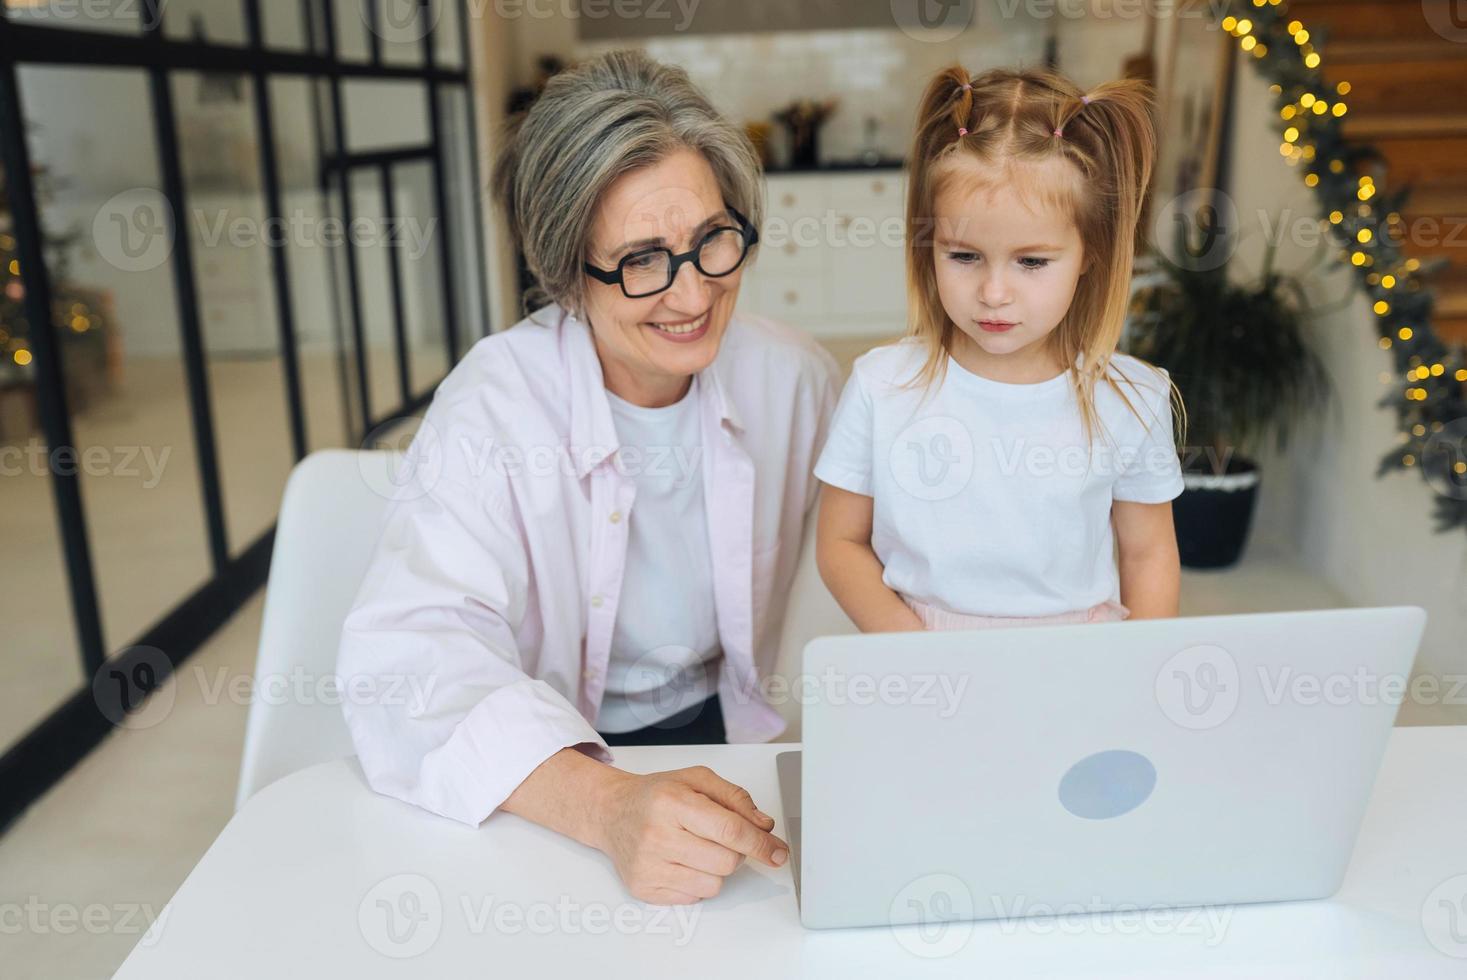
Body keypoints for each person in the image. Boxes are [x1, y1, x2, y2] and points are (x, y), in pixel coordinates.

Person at [337, 50, 839, 905]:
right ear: (566, 276)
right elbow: (407, 659)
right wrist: (605, 807)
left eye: (712, 241)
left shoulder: (794, 379)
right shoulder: (495, 404)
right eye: (641, 260)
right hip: (550, 758)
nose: (692, 294)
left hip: (740, 730)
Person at [815, 66, 1185, 633]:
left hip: (1074, 668)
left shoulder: (1131, 397)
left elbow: (1148, 555)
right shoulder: (880, 385)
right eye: (963, 256)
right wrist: (917, 657)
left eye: (1031, 261)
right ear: (929, 245)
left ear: (1091, 253)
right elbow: (840, 543)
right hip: (921, 663)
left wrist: (1141, 676)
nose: (993, 293)